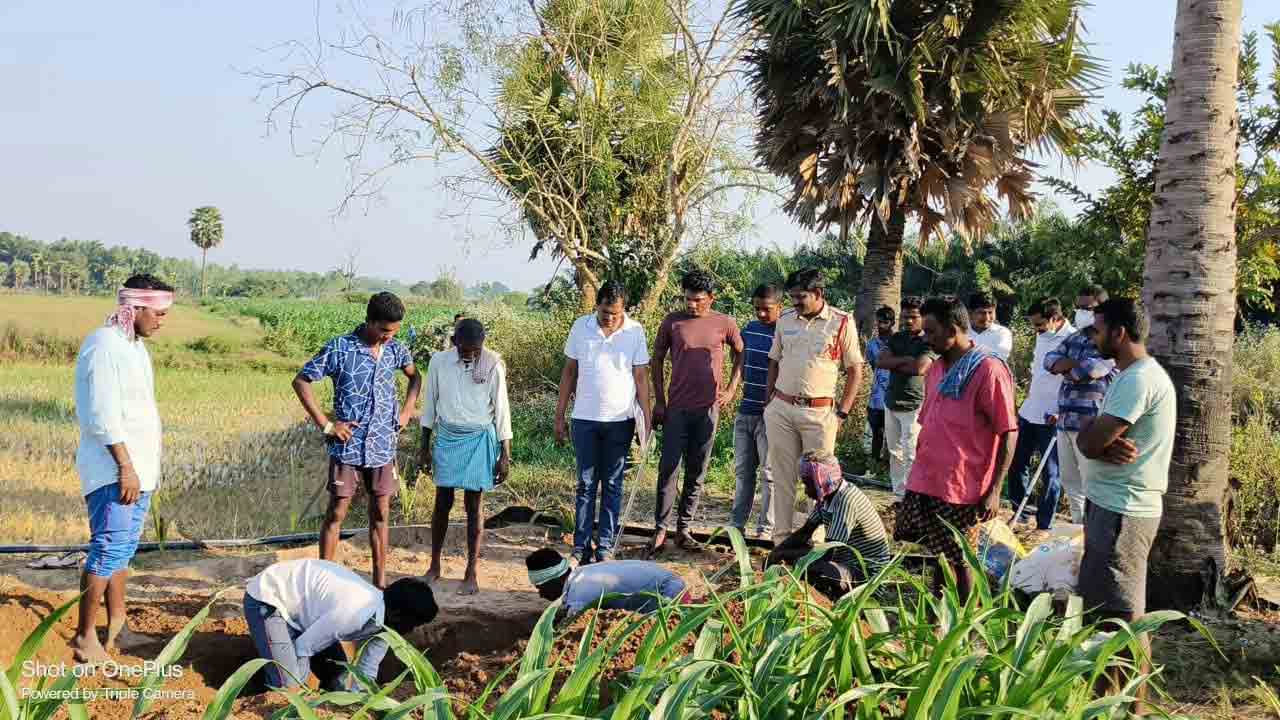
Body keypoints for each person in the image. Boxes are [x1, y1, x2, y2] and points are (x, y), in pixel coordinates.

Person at [1076, 298, 1175, 711]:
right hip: (1112, 506)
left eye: (1098, 330)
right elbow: (1094, 439)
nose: (1094, 338)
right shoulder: (1130, 376)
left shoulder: (1138, 380)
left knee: (1124, 614)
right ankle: (1108, 702)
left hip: (1123, 512)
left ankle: (1132, 708)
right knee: (1106, 612)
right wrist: (1095, 437)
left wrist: (1094, 439)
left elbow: (1090, 442)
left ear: (1118, 333)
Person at [70, 274, 174, 664]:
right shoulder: (104, 345)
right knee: (108, 548)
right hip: (115, 470)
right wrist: (125, 467)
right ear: (136, 307)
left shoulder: (133, 346)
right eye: (158, 313)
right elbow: (101, 413)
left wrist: (140, 469)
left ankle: (117, 626)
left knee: (122, 551)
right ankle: (84, 637)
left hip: (138, 469)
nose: (162, 320)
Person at [293, 292, 420, 590]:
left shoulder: (396, 349)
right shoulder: (340, 347)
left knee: (381, 512)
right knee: (337, 511)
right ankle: (323, 582)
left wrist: (406, 411)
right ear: (370, 321)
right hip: (348, 445)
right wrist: (327, 425)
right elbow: (301, 381)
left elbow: (415, 377)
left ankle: (379, 585)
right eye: (385, 330)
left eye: (394, 331)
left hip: (382, 444)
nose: (389, 336)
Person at [895, 297, 1018, 601]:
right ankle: (940, 613)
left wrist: (994, 490)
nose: (926, 338)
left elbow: (1008, 432)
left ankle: (963, 619)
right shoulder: (936, 369)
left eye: (931, 331)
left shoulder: (988, 370)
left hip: (964, 484)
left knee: (962, 559)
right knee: (940, 553)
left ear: (952, 330)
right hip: (931, 477)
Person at [764, 269, 863, 543]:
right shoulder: (785, 319)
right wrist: (768, 401)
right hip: (781, 409)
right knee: (782, 478)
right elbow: (774, 360)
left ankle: (815, 544)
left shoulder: (841, 322)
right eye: (792, 297)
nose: (795, 302)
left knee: (820, 482)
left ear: (818, 293)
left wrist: (841, 413)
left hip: (820, 415)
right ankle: (781, 542)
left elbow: (855, 370)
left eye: (800, 297)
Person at [555, 281, 651, 564]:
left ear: (624, 309)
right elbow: (569, 372)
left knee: (612, 483)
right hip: (584, 419)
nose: (609, 318)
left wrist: (646, 420)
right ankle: (581, 546)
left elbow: (641, 377)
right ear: (596, 305)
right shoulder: (580, 327)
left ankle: (605, 546)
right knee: (585, 484)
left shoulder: (635, 331)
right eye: (605, 312)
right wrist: (559, 415)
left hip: (620, 420)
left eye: (615, 313)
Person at [649, 270, 744, 555]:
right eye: (688, 299)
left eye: (698, 300)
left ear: (711, 298)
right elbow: (657, 359)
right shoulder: (672, 322)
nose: (691, 305)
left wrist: (731, 389)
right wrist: (660, 401)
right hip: (676, 408)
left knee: (697, 469)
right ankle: (660, 529)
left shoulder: (724, 323)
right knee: (668, 469)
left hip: (707, 409)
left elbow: (741, 353)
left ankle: (684, 529)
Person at [243, 559, 438, 690]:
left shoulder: (384, 625)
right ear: (397, 615)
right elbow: (302, 648)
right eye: (413, 624)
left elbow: (367, 670)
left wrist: (359, 706)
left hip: (306, 614)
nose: (410, 631)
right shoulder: (353, 613)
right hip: (270, 598)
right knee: (289, 687)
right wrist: (300, 691)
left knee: (339, 676)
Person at [420, 318, 512, 594]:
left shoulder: (493, 363)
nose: (471, 355)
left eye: (476, 350)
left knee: (474, 506)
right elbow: (429, 406)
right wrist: (423, 447)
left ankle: (471, 571)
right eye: (465, 350)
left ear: (483, 344)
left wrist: (505, 454)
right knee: (442, 502)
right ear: (454, 342)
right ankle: (434, 565)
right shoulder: (439, 362)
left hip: (479, 439)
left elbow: (502, 410)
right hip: (448, 437)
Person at [767, 450, 891, 601]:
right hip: (845, 563)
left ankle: (830, 601)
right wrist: (777, 551)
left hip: (866, 577)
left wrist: (785, 555)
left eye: (808, 484)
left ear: (821, 481)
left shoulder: (846, 500)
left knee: (814, 567)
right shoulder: (826, 499)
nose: (805, 490)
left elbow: (827, 552)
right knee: (802, 558)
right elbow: (805, 532)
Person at [1044, 285, 1117, 523]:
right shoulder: (1075, 337)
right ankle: (1079, 528)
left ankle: (1094, 532)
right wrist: (1074, 366)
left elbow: (1091, 370)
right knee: (1070, 481)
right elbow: (1049, 360)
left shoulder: (1110, 340)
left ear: (1102, 310)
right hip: (1066, 421)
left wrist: (1068, 367)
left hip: (1091, 424)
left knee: (1092, 483)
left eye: (1087, 308)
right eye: (1079, 307)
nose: (1081, 312)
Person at [1006, 299, 1074, 529]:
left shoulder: (1073, 339)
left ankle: (1044, 524)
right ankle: (1020, 514)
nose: (1036, 330)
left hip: (1052, 416)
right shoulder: (1042, 335)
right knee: (1017, 464)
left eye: (1040, 325)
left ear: (1055, 319)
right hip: (1030, 411)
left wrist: (1061, 411)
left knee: (1051, 473)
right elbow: (1037, 373)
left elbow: (1076, 381)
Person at [730, 284, 783, 538]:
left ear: (780, 307)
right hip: (746, 411)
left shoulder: (785, 334)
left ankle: (765, 530)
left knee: (769, 474)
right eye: (757, 308)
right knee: (743, 472)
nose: (761, 313)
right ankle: (736, 525)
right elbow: (739, 361)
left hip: (771, 415)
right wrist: (731, 387)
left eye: (767, 309)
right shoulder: (749, 330)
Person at [875, 296, 934, 500]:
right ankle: (899, 495)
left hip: (915, 404)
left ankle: (913, 496)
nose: (908, 321)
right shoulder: (897, 338)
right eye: (905, 316)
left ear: (923, 317)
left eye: (914, 317)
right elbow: (880, 361)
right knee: (894, 452)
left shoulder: (928, 340)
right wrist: (906, 360)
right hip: (891, 401)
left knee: (912, 454)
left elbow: (920, 368)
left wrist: (896, 362)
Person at [525, 548, 690, 619]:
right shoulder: (582, 573)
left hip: (671, 598)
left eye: (541, 588)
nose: (540, 594)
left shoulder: (578, 593)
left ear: (555, 580)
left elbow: (572, 628)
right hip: (673, 584)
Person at [863, 306, 895, 468]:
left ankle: (888, 465)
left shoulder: (898, 343)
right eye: (879, 322)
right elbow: (872, 365)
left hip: (894, 394)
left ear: (892, 323)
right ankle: (874, 464)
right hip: (876, 397)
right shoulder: (872, 345)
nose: (881, 325)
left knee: (893, 434)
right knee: (877, 431)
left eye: (885, 322)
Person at [968, 292, 1013, 361]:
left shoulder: (1002, 333)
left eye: (990, 312)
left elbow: (997, 359)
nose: (987, 318)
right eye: (982, 313)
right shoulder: (961, 332)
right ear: (970, 313)